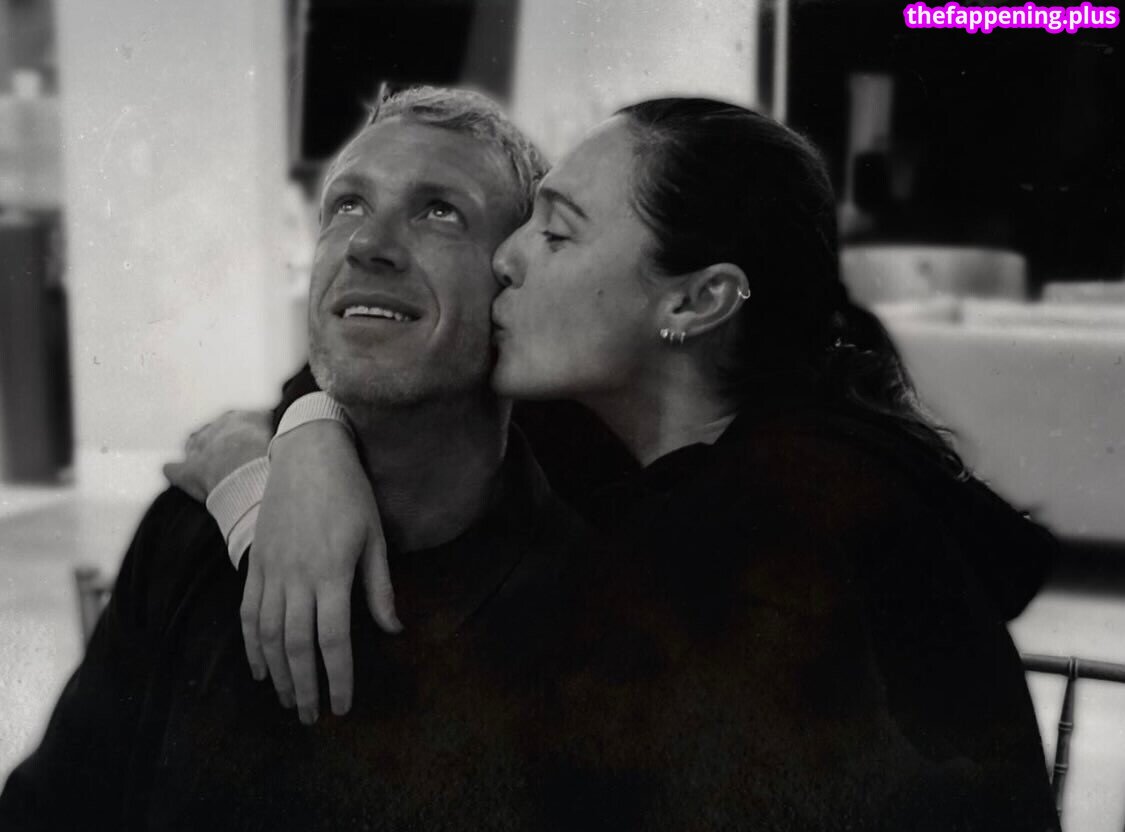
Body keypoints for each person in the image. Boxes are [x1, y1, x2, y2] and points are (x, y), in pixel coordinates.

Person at [213, 97, 1061, 829]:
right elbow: (362, 363)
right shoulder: (703, 437)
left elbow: (446, 775)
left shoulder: (759, 538)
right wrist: (308, 432)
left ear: (695, 301)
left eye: (555, 233)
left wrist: (248, 495)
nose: (506, 258)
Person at [0, 87, 600, 830]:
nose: (366, 243)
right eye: (347, 204)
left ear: (513, 287)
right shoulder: (192, 533)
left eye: (440, 211)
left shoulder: (589, 606)